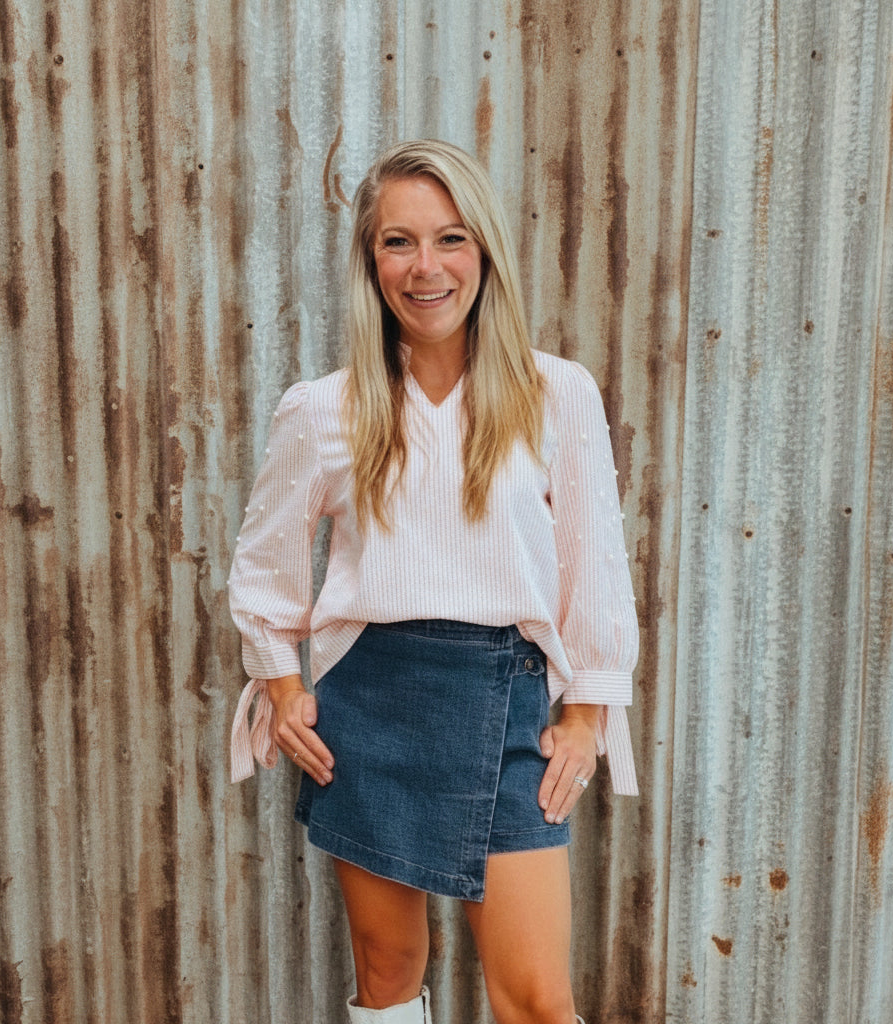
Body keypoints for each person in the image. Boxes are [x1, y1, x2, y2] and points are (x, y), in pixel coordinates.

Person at [228, 139, 638, 1024]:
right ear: (370, 262)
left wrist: (585, 714)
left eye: (450, 239)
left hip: (512, 706)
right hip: (371, 708)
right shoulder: (323, 409)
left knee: (534, 999)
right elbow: (264, 563)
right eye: (397, 242)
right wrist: (284, 682)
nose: (426, 268)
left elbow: (594, 562)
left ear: (484, 251)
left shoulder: (556, 393)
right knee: (388, 974)